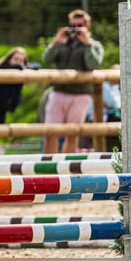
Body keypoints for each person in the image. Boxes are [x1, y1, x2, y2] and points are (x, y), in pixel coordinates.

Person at [41, 9, 104, 154]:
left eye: (79, 25)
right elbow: (46, 60)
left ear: (87, 26)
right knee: (50, 132)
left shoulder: (95, 45)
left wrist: (87, 44)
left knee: (72, 134)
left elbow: (92, 64)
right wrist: (56, 43)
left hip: (80, 95)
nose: (75, 29)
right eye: (72, 26)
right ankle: (48, 167)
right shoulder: (61, 43)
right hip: (58, 92)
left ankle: (66, 169)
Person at [0, 47, 31, 156]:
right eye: (15, 59)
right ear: (9, 60)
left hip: (4, 110)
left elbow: (35, 67)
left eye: (21, 60)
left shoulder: (22, 72)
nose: (18, 63)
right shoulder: (3, 68)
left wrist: (24, 68)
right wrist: (20, 67)